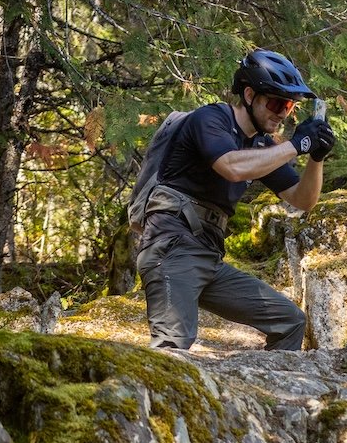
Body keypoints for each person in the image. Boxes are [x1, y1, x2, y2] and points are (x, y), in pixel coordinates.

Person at [135, 49, 335, 353]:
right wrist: (297, 144)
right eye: (277, 102)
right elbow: (232, 167)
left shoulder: (261, 145)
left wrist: (316, 157)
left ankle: (274, 396)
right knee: (173, 345)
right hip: (172, 246)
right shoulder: (210, 119)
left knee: (290, 320)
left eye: (290, 106)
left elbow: (302, 200)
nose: (283, 113)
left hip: (208, 254)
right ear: (250, 94)